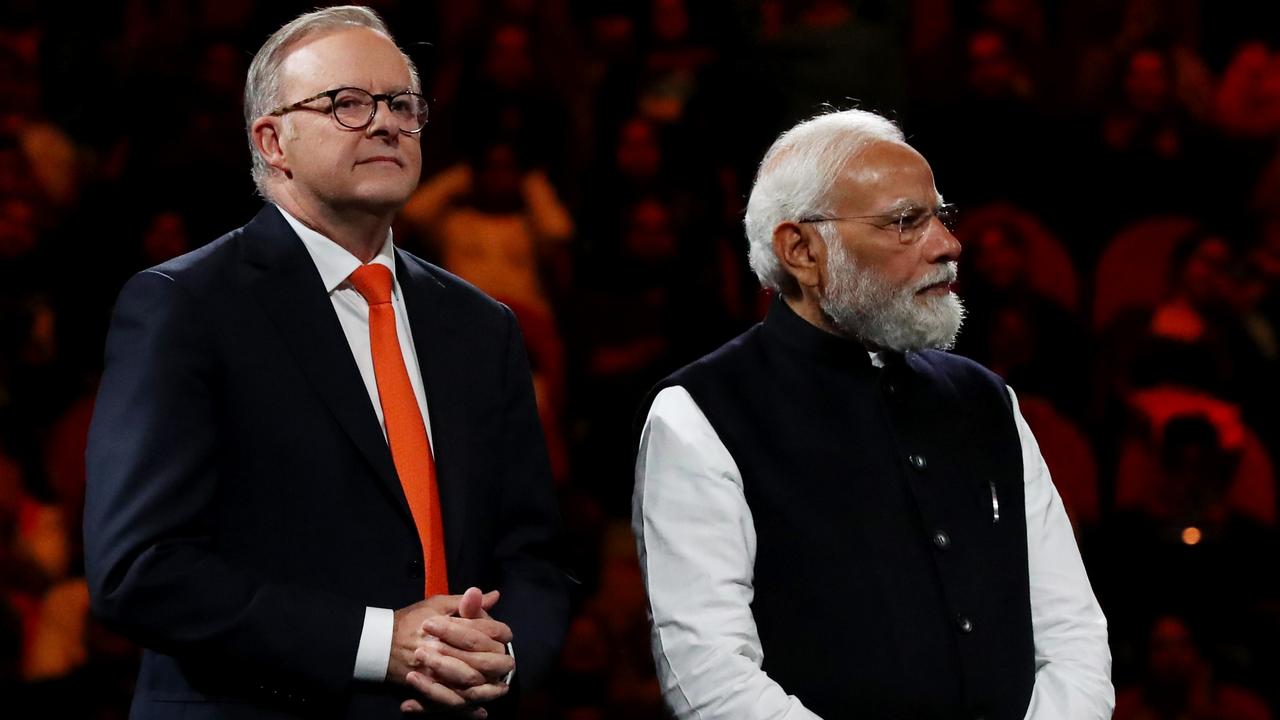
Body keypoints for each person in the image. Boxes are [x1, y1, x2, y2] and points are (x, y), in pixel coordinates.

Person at [82, 7, 567, 718]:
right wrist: (380, 643)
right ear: (272, 140)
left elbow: (531, 555)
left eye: (403, 103)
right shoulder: (185, 306)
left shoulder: (480, 325)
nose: (385, 123)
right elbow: (141, 569)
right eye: (347, 104)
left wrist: (502, 659)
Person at [633, 108, 1113, 719]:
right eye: (907, 222)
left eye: (941, 216)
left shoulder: (987, 399)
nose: (948, 245)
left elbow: (1071, 633)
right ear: (801, 249)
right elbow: (709, 675)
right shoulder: (701, 414)